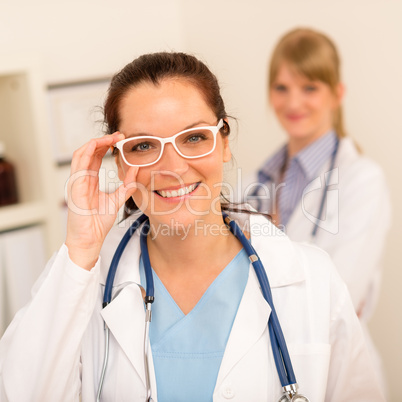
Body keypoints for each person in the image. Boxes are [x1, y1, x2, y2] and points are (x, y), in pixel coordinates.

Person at [0, 52, 385, 401]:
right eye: (144, 145)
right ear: (119, 164)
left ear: (224, 143)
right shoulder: (84, 279)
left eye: (194, 137)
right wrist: (81, 250)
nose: (172, 166)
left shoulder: (311, 279)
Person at [243, 27, 391, 377]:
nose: (293, 102)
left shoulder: (361, 179)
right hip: (262, 370)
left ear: (337, 93)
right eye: (281, 88)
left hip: (333, 371)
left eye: (310, 87)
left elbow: (339, 296)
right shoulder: (252, 184)